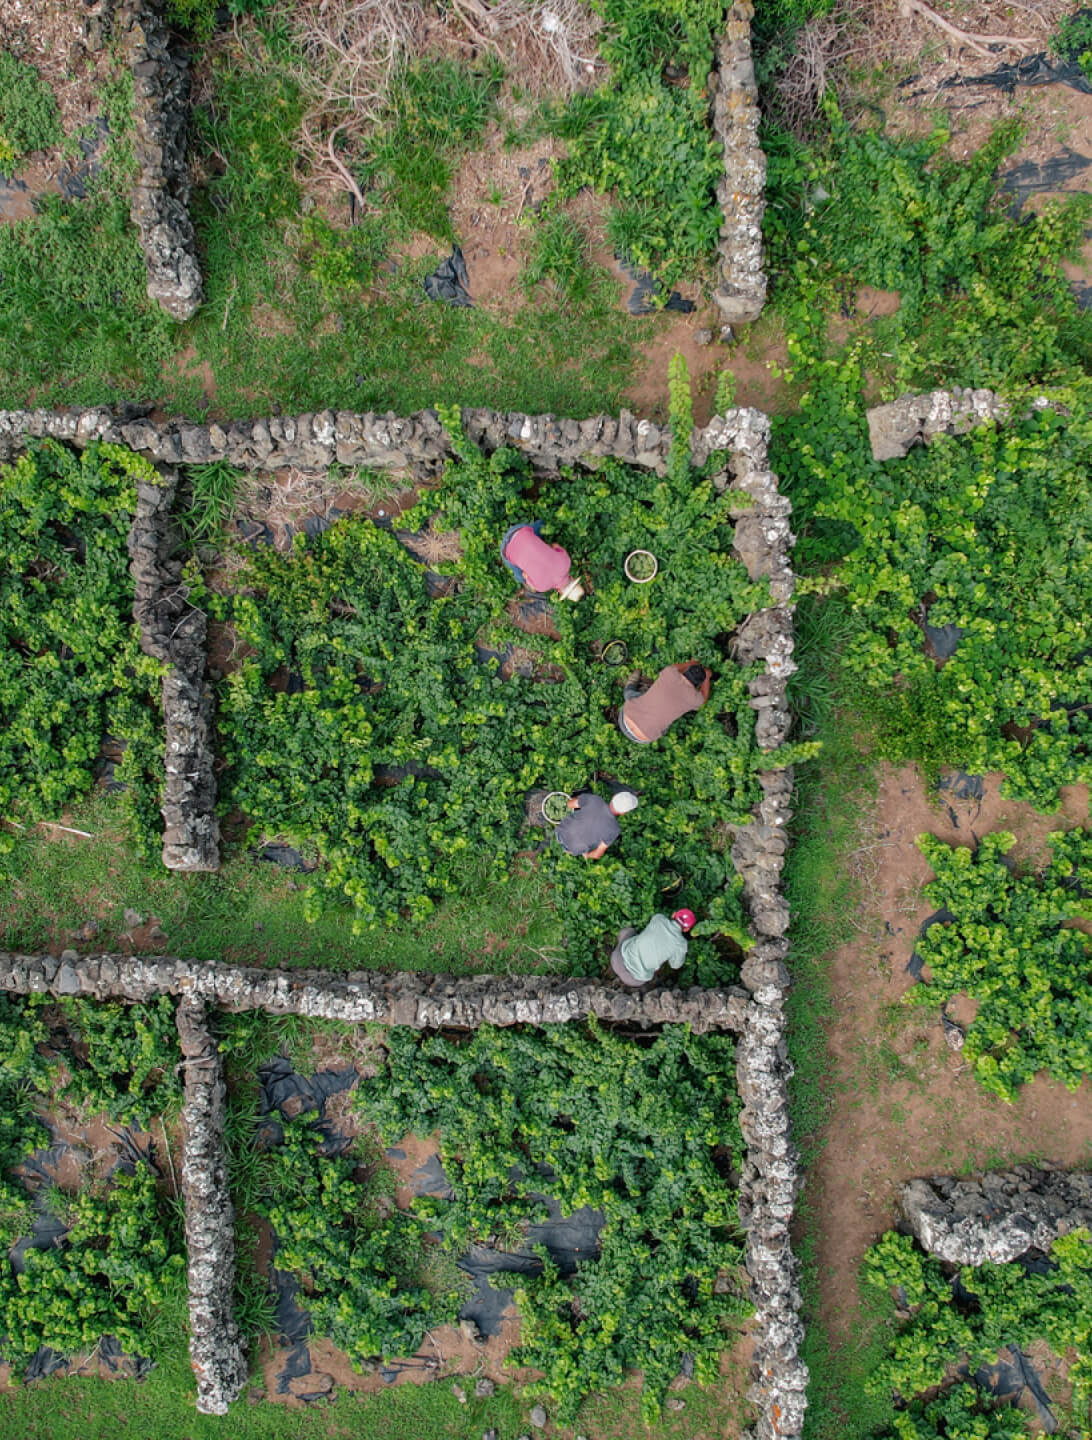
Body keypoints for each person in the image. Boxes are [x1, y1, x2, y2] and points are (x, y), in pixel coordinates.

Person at [619, 661, 711, 744]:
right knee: (663, 726)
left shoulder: (670, 672)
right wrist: (707, 677)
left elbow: (680, 666)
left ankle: (632, 681)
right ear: (698, 684)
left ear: (686, 671)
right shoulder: (696, 699)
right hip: (644, 737)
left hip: (625, 719)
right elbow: (704, 699)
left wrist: (693, 663)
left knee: (629, 695)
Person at [500, 520, 584, 602]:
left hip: (519, 529)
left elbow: (555, 545)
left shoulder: (566, 562)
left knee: (541, 525)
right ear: (560, 591)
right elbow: (524, 574)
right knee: (520, 577)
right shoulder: (541, 587)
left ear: (572, 578)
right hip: (505, 550)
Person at [610, 909, 696, 987]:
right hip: (634, 980)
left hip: (617, 960)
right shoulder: (681, 944)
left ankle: (612, 948)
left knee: (630, 931)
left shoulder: (659, 918)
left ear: (674, 914)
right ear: (687, 929)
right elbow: (675, 965)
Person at [555, 789, 638, 859]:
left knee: (579, 813)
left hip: (560, 831)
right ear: (624, 813)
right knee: (598, 841)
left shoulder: (595, 800)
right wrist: (587, 855)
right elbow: (597, 854)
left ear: (613, 797)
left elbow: (570, 804)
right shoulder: (614, 830)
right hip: (572, 849)